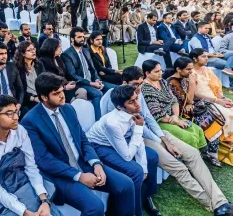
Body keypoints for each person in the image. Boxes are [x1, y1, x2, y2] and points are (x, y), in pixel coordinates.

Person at [101, 66, 233, 215]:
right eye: (135, 84)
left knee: (193, 154)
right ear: (124, 82)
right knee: (178, 167)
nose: (138, 88)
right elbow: (131, 128)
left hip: (154, 132)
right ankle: (212, 205)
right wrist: (161, 141)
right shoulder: (114, 98)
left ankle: (220, 201)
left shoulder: (138, 94)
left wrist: (165, 139)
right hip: (137, 139)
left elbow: (149, 120)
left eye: (141, 83)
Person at [20, 72, 135, 216]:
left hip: (83, 163)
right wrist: (79, 176)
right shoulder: (30, 121)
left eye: (62, 90)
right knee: (95, 206)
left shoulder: (68, 108)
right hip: (61, 174)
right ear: (44, 97)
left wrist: (96, 163)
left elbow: (83, 140)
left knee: (126, 185)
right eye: (57, 93)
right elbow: (44, 160)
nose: (62, 96)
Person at [0, 94, 62, 216]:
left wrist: (44, 200)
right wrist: (24, 212)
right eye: (9, 114)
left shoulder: (20, 131)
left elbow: (31, 167)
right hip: (0, 193)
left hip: (23, 182)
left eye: (16, 112)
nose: (16, 117)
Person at [87, 85, 160, 216]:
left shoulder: (132, 112)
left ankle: (144, 198)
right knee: (135, 171)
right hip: (97, 146)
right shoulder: (113, 123)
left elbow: (139, 143)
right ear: (120, 107)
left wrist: (144, 168)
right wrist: (139, 128)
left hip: (117, 142)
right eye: (131, 102)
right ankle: (134, 212)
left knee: (150, 158)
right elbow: (127, 156)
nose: (138, 104)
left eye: (136, 98)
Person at [141, 59, 207, 150]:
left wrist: (176, 116)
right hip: (160, 121)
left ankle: (201, 153)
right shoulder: (146, 88)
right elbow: (157, 113)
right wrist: (177, 121)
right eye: (156, 71)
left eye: (161, 70)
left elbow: (174, 100)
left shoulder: (162, 82)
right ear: (147, 73)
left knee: (197, 129)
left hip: (172, 117)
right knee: (188, 136)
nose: (160, 73)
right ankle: (192, 156)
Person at [61, 27, 114, 120]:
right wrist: (91, 83)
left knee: (114, 89)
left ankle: (111, 118)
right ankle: (98, 121)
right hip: (81, 84)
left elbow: (93, 69)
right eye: (79, 37)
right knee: (98, 94)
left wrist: (97, 80)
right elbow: (72, 75)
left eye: (83, 37)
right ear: (72, 39)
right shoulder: (67, 54)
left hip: (93, 81)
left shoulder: (86, 51)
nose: (82, 39)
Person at [189, 48, 233, 142]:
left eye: (207, 56)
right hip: (202, 101)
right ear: (195, 58)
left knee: (231, 107)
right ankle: (226, 140)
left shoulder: (207, 69)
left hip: (216, 98)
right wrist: (218, 101)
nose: (207, 58)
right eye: (203, 56)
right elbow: (196, 94)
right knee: (227, 114)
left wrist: (223, 98)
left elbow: (216, 86)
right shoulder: (191, 72)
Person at [39, 38, 87, 102]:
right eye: (59, 47)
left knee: (82, 91)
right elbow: (48, 81)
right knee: (73, 99)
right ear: (52, 48)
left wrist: (68, 82)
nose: (60, 49)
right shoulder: (43, 62)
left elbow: (64, 74)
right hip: (55, 89)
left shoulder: (58, 58)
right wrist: (64, 87)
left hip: (64, 85)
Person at [13, 41, 45, 116]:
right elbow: (19, 89)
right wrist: (33, 98)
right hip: (26, 100)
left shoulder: (39, 64)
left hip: (40, 96)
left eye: (34, 49)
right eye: (29, 50)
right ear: (23, 53)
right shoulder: (16, 67)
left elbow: (44, 81)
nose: (33, 51)